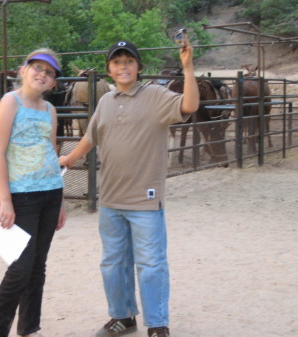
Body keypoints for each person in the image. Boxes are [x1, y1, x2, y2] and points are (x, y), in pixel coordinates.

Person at [59, 37, 199, 337]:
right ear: (109, 69)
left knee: (150, 264)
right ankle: (122, 316)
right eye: (117, 62)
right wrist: (69, 158)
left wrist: (188, 69)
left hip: (145, 200)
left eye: (129, 62)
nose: (123, 67)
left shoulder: (157, 96)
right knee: (113, 263)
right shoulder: (106, 101)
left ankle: (157, 324)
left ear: (138, 67)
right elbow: (91, 136)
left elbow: (189, 105)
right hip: (110, 199)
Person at [0, 48, 66, 337]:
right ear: (23, 71)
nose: (42, 74)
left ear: (53, 82)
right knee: (20, 268)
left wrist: (62, 201)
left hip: (50, 193)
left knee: (37, 266)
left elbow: (51, 152)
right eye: (37, 68)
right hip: (22, 197)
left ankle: (29, 328)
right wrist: (5, 200)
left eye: (49, 71)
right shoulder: (10, 102)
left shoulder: (50, 110)